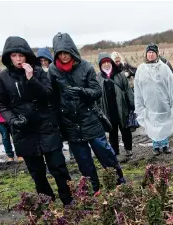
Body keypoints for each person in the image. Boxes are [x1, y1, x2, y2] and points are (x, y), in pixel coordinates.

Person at [0, 36, 73, 205]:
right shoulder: (3, 77)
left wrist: (31, 79)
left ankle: (69, 200)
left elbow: (48, 94)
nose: (18, 59)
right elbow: (1, 104)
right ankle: (48, 203)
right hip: (24, 132)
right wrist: (13, 120)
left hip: (47, 127)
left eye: (21, 55)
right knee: (37, 173)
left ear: (26, 56)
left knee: (59, 168)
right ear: (8, 57)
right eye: (14, 56)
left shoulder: (38, 71)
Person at [49, 32, 126, 192]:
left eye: (66, 52)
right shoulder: (53, 70)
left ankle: (119, 184)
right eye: (60, 53)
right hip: (70, 124)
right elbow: (53, 97)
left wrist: (82, 92)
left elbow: (97, 91)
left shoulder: (85, 67)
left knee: (107, 155)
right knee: (84, 162)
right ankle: (94, 190)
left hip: (90, 119)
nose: (64, 56)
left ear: (72, 51)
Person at [134, 43, 173, 155]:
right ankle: (155, 146)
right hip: (149, 103)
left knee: (164, 124)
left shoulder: (164, 68)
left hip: (163, 103)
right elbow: (137, 89)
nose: (150, 55)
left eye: (153, 52)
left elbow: (171, 86)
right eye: (149, 52)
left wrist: (172, 102)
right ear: (146, 54)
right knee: (152, 124)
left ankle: (165, 145)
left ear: (157, 54)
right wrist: (139, 105)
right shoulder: (141, 69)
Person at [96, 52, 135, 162]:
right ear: (100, 65)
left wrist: (132, 105)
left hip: (122, 109)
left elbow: (128, 91)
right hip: (108, 111)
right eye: (104, 62)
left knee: (125, 131)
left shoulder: (120, 75)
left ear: (111, 62)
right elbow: (96, 95)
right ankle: (115, 152)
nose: (107, 64)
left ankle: (128, 150)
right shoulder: (98, 77)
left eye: (108, 61)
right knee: (112, 133)